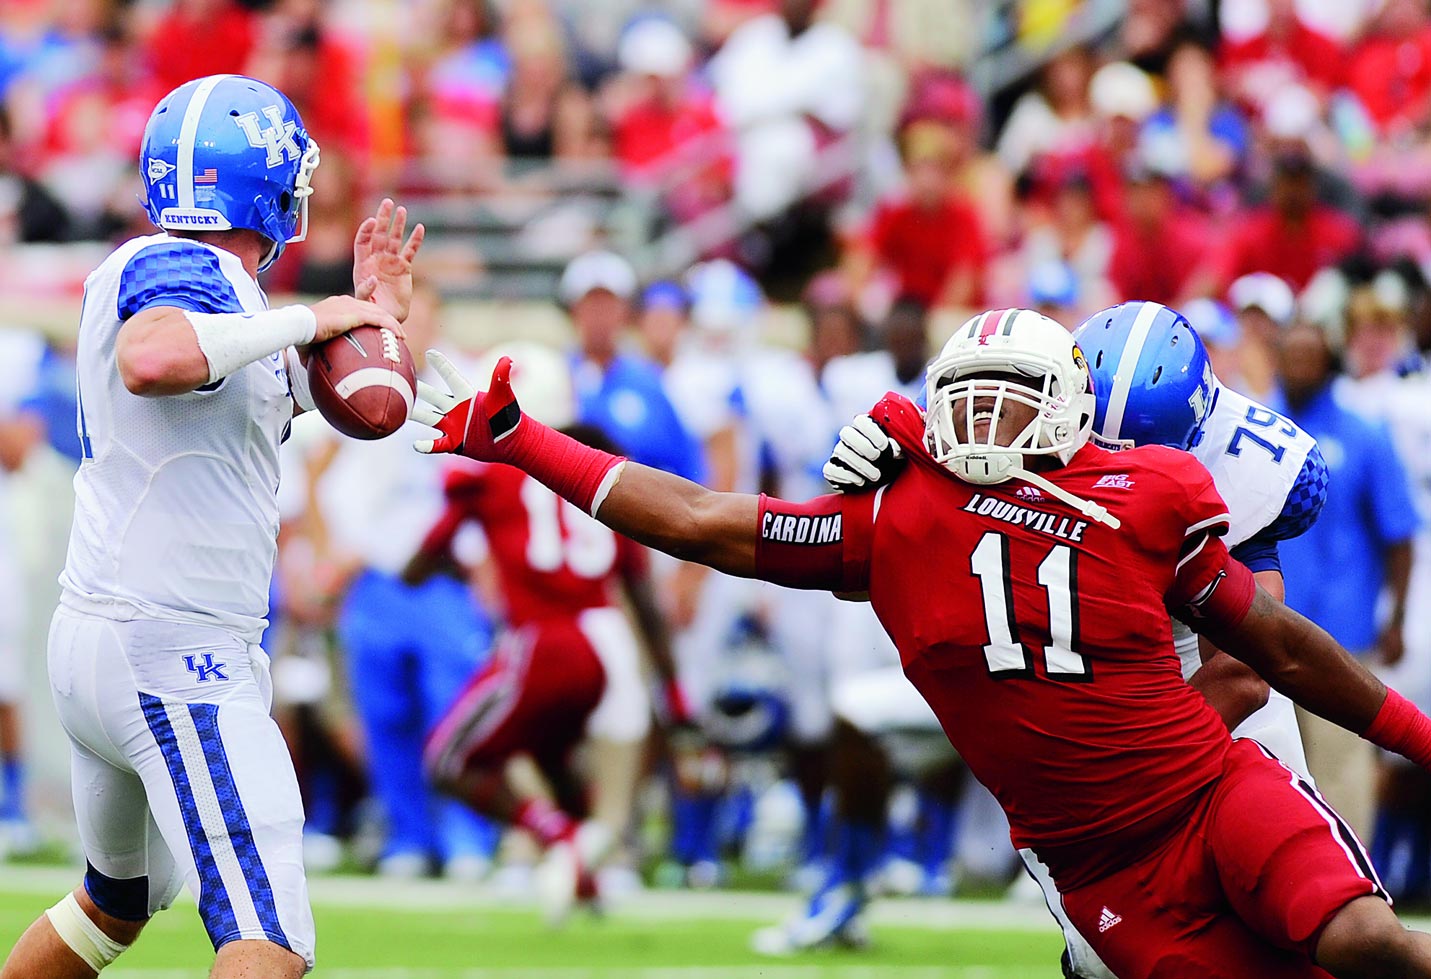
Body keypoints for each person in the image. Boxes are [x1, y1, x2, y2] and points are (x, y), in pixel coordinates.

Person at [411, 309, 1431, 978]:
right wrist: (524, 441)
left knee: (1364, 938)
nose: (987, 420)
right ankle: (850, 878)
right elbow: (700, 517)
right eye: (966, 398)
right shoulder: (901, 514)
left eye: (1015, 400)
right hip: (1097, 857)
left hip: (1206, 786)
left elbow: (1272, 654)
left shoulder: (1172, 481)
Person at [0, 74, 418, 979]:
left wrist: (377, 330)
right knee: (269, 936)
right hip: (174, 651)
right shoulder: (186, 268)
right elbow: (157, 357)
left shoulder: (215, 300)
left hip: (111, 641)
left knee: (114, 903)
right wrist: (314, 316)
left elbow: (292, 401)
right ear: (262, 180)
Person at [818, 301, 1328, 974]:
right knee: (1102, 959)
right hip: (1044, 701)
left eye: (1139, 449)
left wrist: (1111, 791)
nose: (1117, 469)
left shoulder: (1241, 476)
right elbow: (858, 571)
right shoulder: (1011, 419)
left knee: (1294, 929)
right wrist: (882, 477)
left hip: (1183, 729)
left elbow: (1243, 674)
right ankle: (844, 883)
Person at [405, 341, 689, 924]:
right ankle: (589, 870)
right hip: (607, 643)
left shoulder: (488, 479)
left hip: (542, 642)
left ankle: (556, 841)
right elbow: (637, 585)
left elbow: (417, 565)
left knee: (449, 759)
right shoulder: (598, 462)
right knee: (558, 763)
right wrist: (675, 688)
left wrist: (465, 557)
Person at [1271, 318, 1419, 841]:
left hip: (1343, 631)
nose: (1298, 367)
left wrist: (1396, 617)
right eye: (1290, 356)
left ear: (1328, 362)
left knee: (1342, 760)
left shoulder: (1364, 434)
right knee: (1276, 766)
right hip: (1263, 627)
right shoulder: (1257, 429)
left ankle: (1356, 889)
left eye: (1309, 357)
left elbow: (1399, 535)